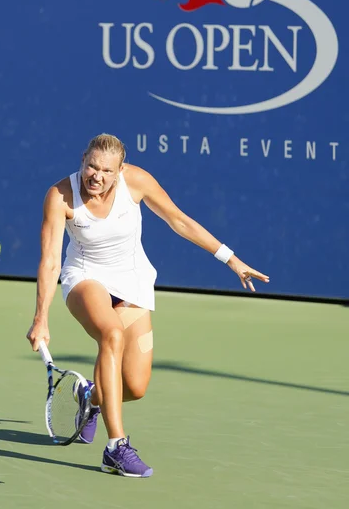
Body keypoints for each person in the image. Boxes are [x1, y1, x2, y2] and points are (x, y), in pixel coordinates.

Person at [27, 133, 269, 478]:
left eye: (106, 171)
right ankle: (116, 448)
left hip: (132, 282)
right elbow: (50, 261)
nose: (96, 176)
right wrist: (41, 318)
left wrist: (231, 260)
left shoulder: (136, 182)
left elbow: (178, 219)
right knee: (111, 333)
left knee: (136, 387)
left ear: (120, 170)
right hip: (84, 277)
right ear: (82, 159)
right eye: (91, 166)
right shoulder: (60, 196)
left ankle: (91, 397)